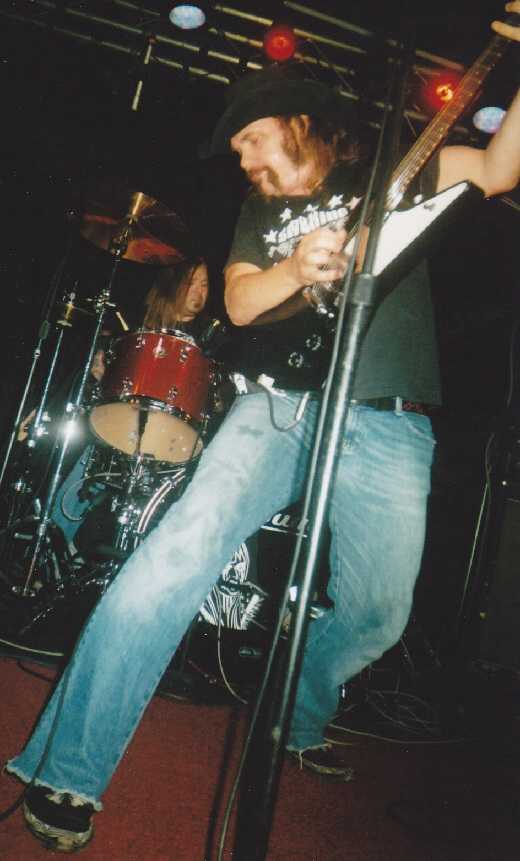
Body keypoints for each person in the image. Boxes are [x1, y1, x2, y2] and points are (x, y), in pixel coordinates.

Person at [4, 6, 520, 852]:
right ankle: (68, 769)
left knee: (380, 613)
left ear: (298, 121)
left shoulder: (398, 172)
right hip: (278, 407)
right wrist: (295, 264)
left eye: (250, 139)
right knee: (169, 560)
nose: (242, 158)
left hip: (392, 421)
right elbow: (241, 302)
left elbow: (500, 166)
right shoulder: (257, 215)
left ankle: (297, 711)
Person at [47, 258, 211, 550]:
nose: (200, 291)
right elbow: (110, 372)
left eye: (205, 284)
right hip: (125, 421)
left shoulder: (210, 338)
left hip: (172, 435)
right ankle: (53, 546)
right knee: (93, 461)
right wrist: (102, 369)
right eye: (192, 283)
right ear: (174, 284)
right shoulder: (136, 325)